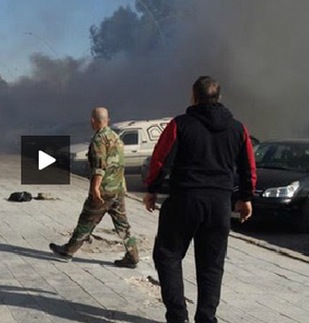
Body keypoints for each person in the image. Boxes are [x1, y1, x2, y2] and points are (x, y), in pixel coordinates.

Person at [143, 76, 256, 323]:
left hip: (184, 199)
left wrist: (152, 188)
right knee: (212, 265)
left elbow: (161, 159)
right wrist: (246, 197)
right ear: (219, 97)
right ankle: (206, 317)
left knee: (168, 255)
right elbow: (248, 164)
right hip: (219, 205)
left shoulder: (180, 125)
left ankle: (177, 316)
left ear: (193, 97)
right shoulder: (238, 128)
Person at [49, 107, 139, 268]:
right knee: (123, 225)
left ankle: (68, 251)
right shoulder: (116, 137)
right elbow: (119, 164)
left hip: (104, 190)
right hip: (118, 189)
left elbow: (99, 166)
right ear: (108, 120)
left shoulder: (99, 139)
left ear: (93, 121)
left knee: (86, 220)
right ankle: (132, 256)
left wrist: (95, 187)